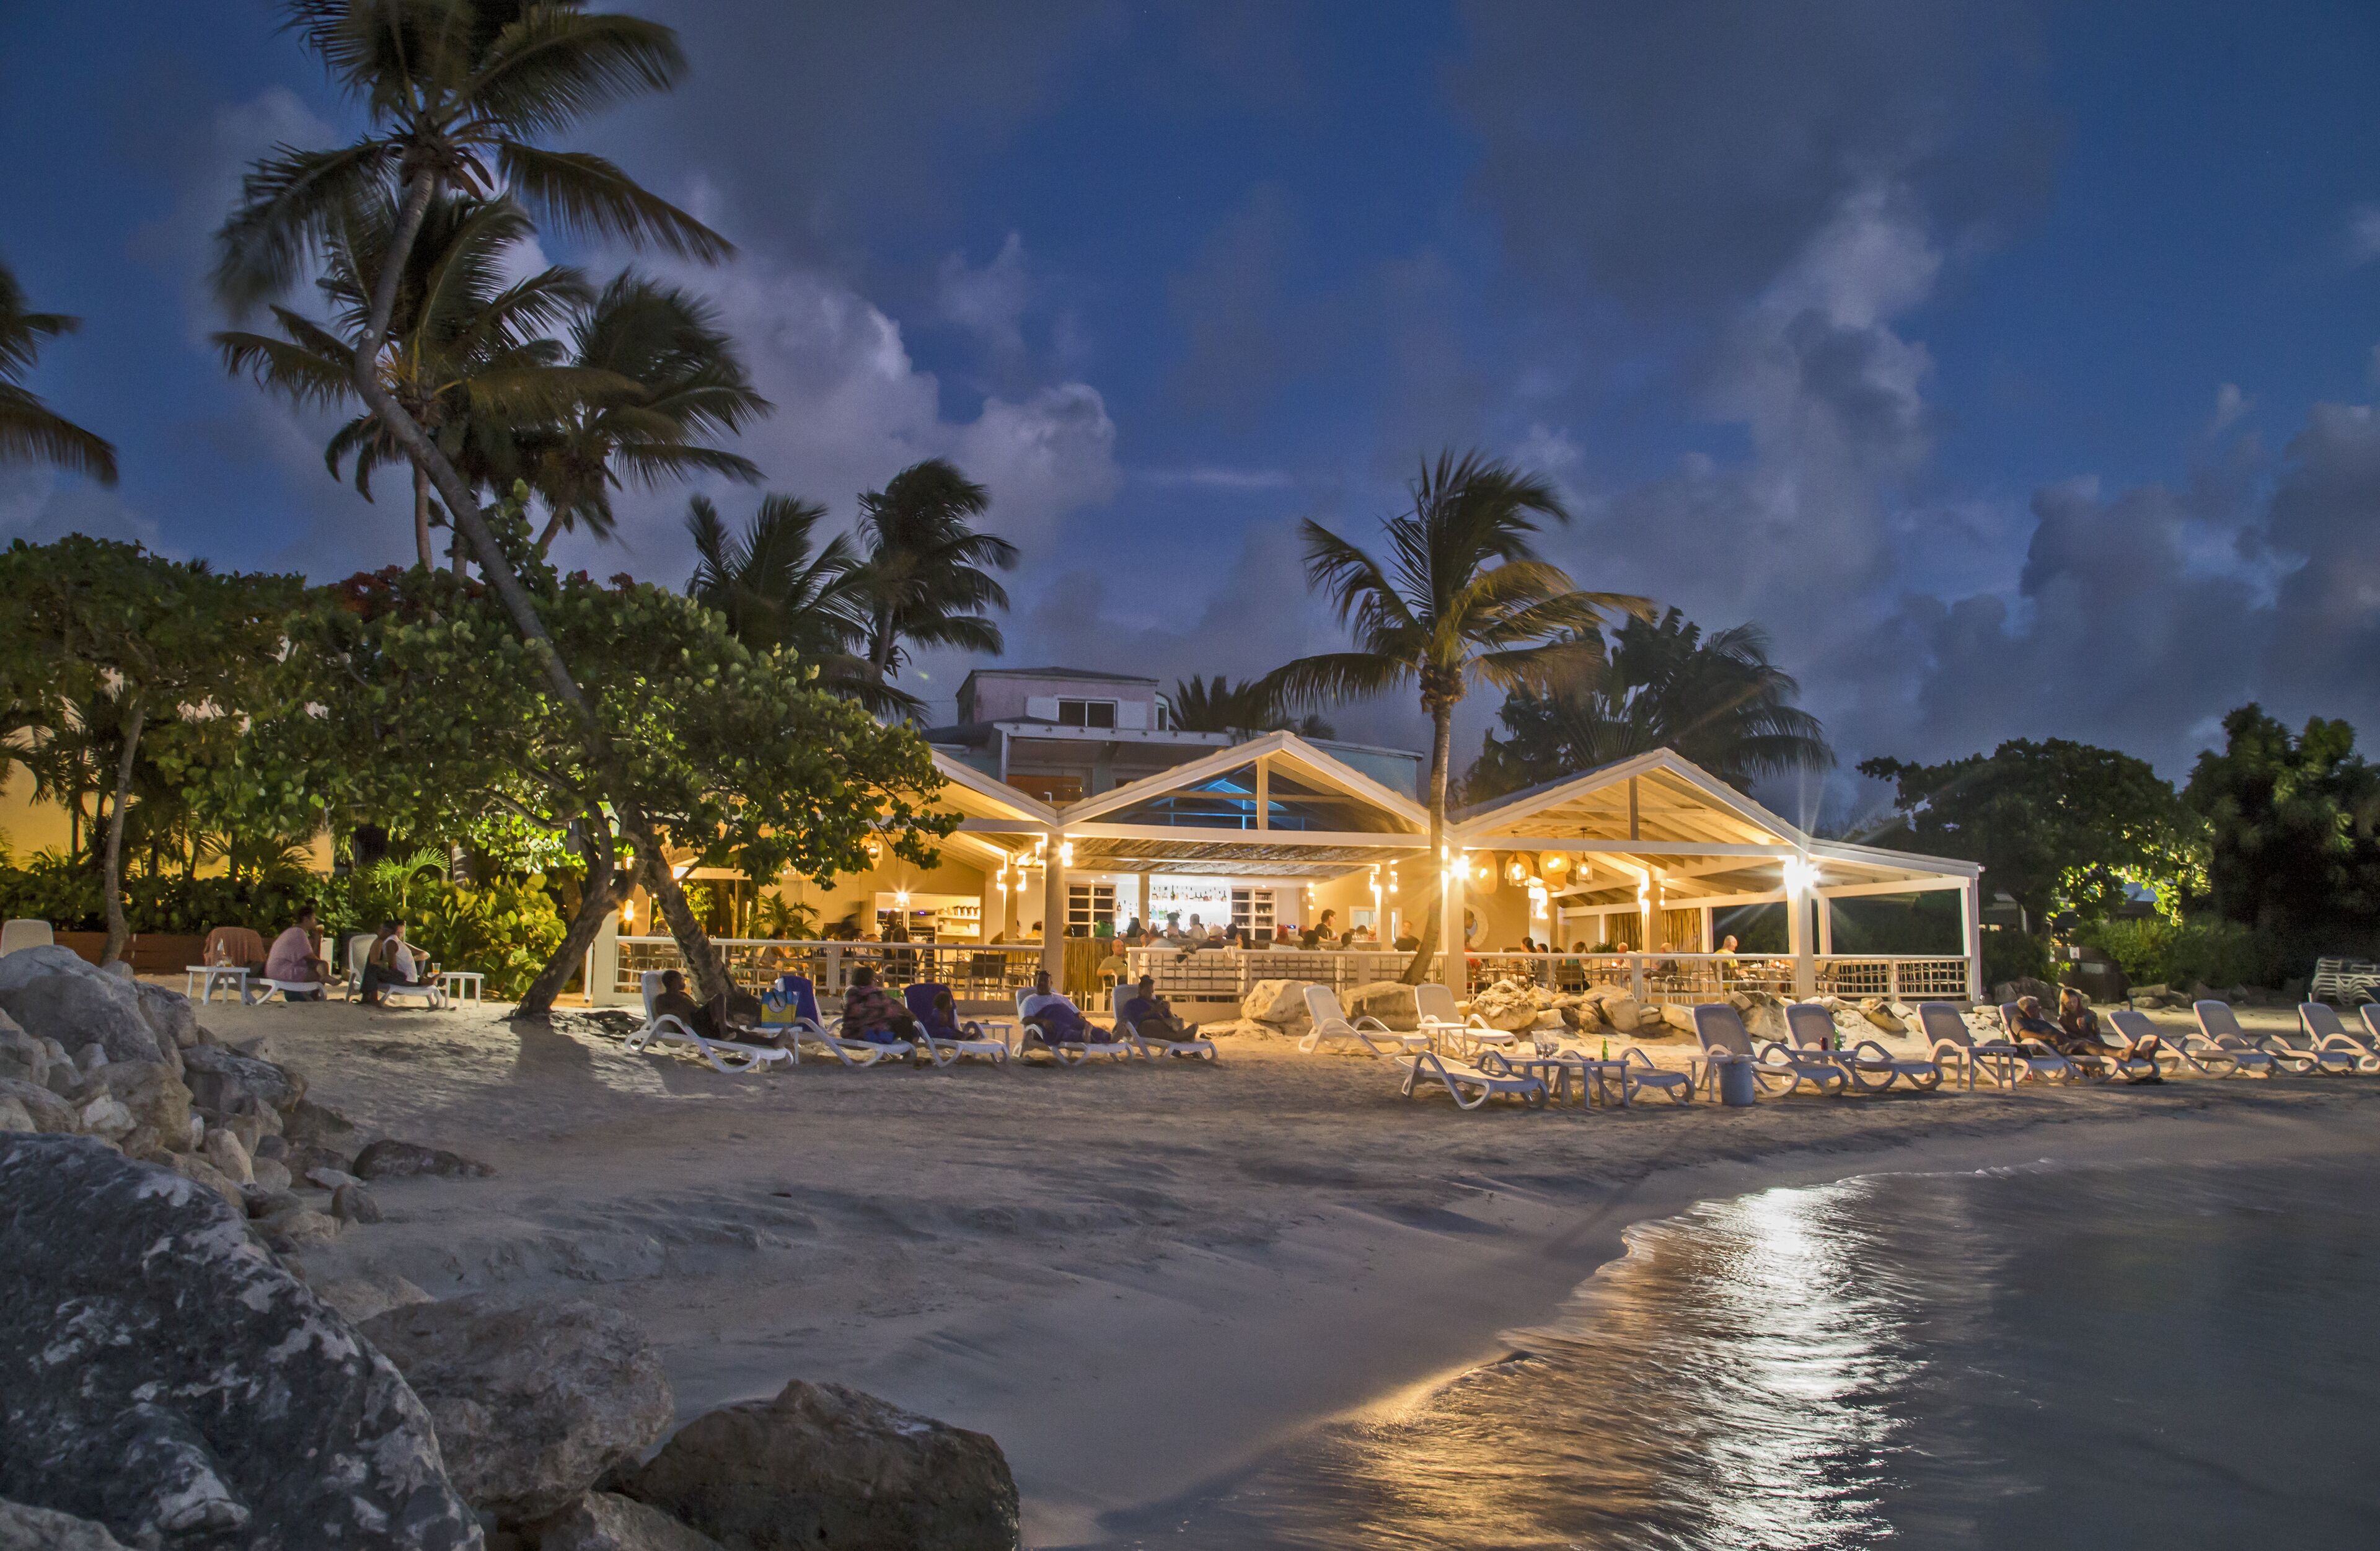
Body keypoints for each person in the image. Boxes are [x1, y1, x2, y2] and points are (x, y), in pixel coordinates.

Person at [2060, 985, 2165, 1079]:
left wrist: (2086, 1020)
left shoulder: (2087, 1013)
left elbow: (2093, 1020)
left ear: (2078, 1000)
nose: (2073, 1005)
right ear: (2064, 1004)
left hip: (2094, 1042)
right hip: (2082, 1046)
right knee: (2111, 1050)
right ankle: (2143, 1053)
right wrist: (2080, 1027)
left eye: (2074, 1001)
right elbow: (2073, 1035)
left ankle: (2144, 1053)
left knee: (2112, 1049)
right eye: (2069, 1003)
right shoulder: (2064, 1018)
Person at [837, 965, 918, 1046]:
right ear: (871, 980)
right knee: (905, 1021)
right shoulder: (875, 995)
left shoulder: (849, 993)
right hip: (868, 1037)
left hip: (849, 1035)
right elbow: (896, 1007)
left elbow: (846, 1009)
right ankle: (907, 1054)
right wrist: (914, 1018)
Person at [262, 905, 330, 1001]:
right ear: (306, 919)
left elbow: (309, 958)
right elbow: (313, 959)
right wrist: (317, 940)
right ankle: (314, 998)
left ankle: (310, 996)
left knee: (318, 968)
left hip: (274, 969)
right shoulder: (299, 933)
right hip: (281, 971)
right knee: (318, 973)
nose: (315, 922)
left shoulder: (292, 931)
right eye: (314, 918)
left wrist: (316, 940)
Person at [358, 919, 430, 1005]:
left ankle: (372, 999)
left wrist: (382, 967)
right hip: (408, 978)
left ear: (388, 932)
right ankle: (368, 997)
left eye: (381, 929)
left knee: (373, 969)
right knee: (374, 966)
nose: (378, 931)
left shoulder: (391, 943)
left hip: (405, 979)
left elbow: (393, 967)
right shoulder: (391, 941)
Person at [1120, 974, 1201, 1045]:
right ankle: (1183, 1036)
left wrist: (1167, 1009)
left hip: (1164, 1027)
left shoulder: (1156, 1002)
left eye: (1152, 991)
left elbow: (1170, 1018)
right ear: (1140, 990)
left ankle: (1183, 1036)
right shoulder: (1133, 1003)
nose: (1150, 994)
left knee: (1177, 1021)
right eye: (1147, 991)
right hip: (1144, 1028)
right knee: (1151, 1024)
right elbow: (1131, 1018)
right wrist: (1152, 1012)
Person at [1019, 968, 1091, 1047]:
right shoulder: (1030, 1000)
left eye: (1045, 981)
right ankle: (1082, 1036)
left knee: (1090, 1029)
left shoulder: (1061, 998)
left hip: (1069, 1024)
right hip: (1050, 1028)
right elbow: (1025, 1020)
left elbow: (1077, 1013)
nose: (1042, 983)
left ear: (1051, 983)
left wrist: (1082, 1019)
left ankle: (1104, 1037)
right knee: (1062, 1029)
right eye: (1039, 981)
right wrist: (1042, 1021)